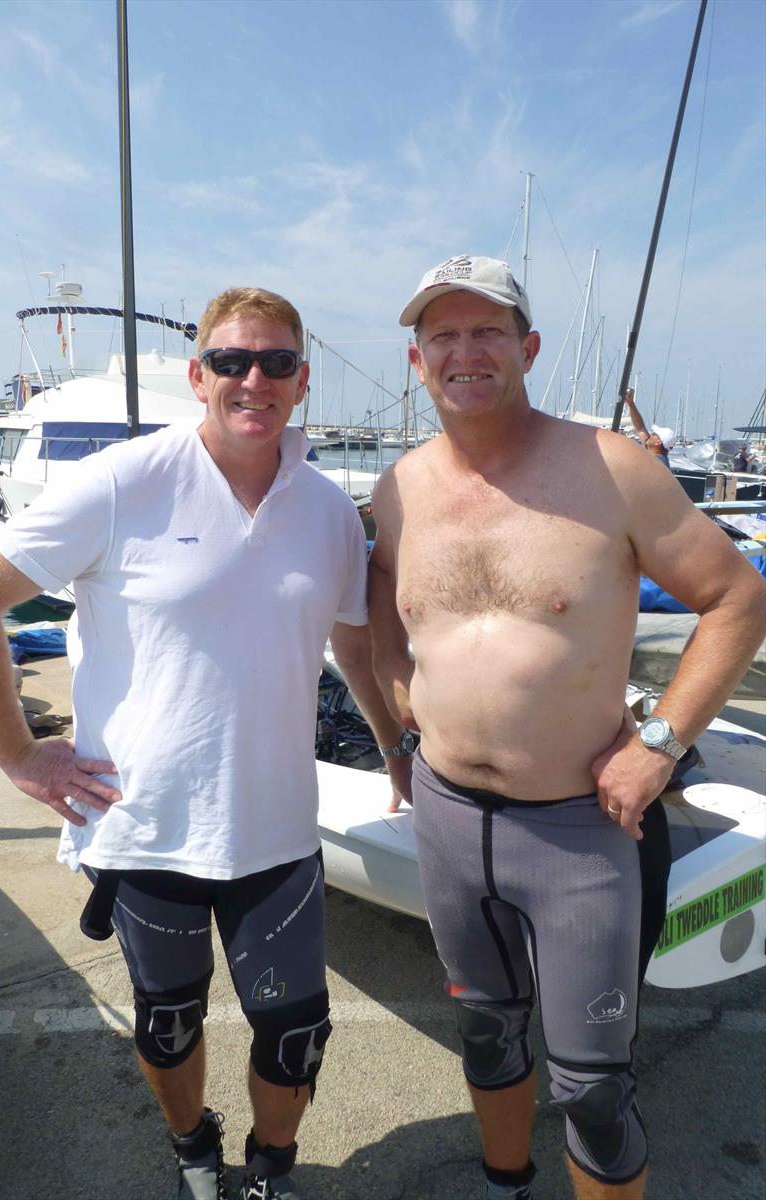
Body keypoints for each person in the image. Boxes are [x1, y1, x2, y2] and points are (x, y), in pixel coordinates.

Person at [0, 286, 413, 1200]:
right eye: (233, 361)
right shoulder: (126, 480)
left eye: (277, 363)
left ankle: (270, 1169)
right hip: (145, 827)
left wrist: (395, 743)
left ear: (301, 381)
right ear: (199, 373)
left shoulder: (328, 509)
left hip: (279, 827)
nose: (255, 379)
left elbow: (355, 641)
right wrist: (16, 751)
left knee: (297, 1033)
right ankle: (194, 1150)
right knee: (167, 1025)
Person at [368, 254, 766, 1200]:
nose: (465, 353)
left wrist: (659, 746)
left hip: (580, 826)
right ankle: (506, 1185)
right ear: (418, 362)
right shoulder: (398, 487)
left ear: (528, 347)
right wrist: (395, 721)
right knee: (485, 1030)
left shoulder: (610, 468)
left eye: (488, 333)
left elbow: (738, 598)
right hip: (447, 811)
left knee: (593, 1087)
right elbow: (382, 615)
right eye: (444, 338)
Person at [623, 388, 675, 466]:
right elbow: (640, 428)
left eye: (654, 434)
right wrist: (631, 404)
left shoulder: (659, 462)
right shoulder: (654, 455)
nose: (650, 435)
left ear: (658, 442)